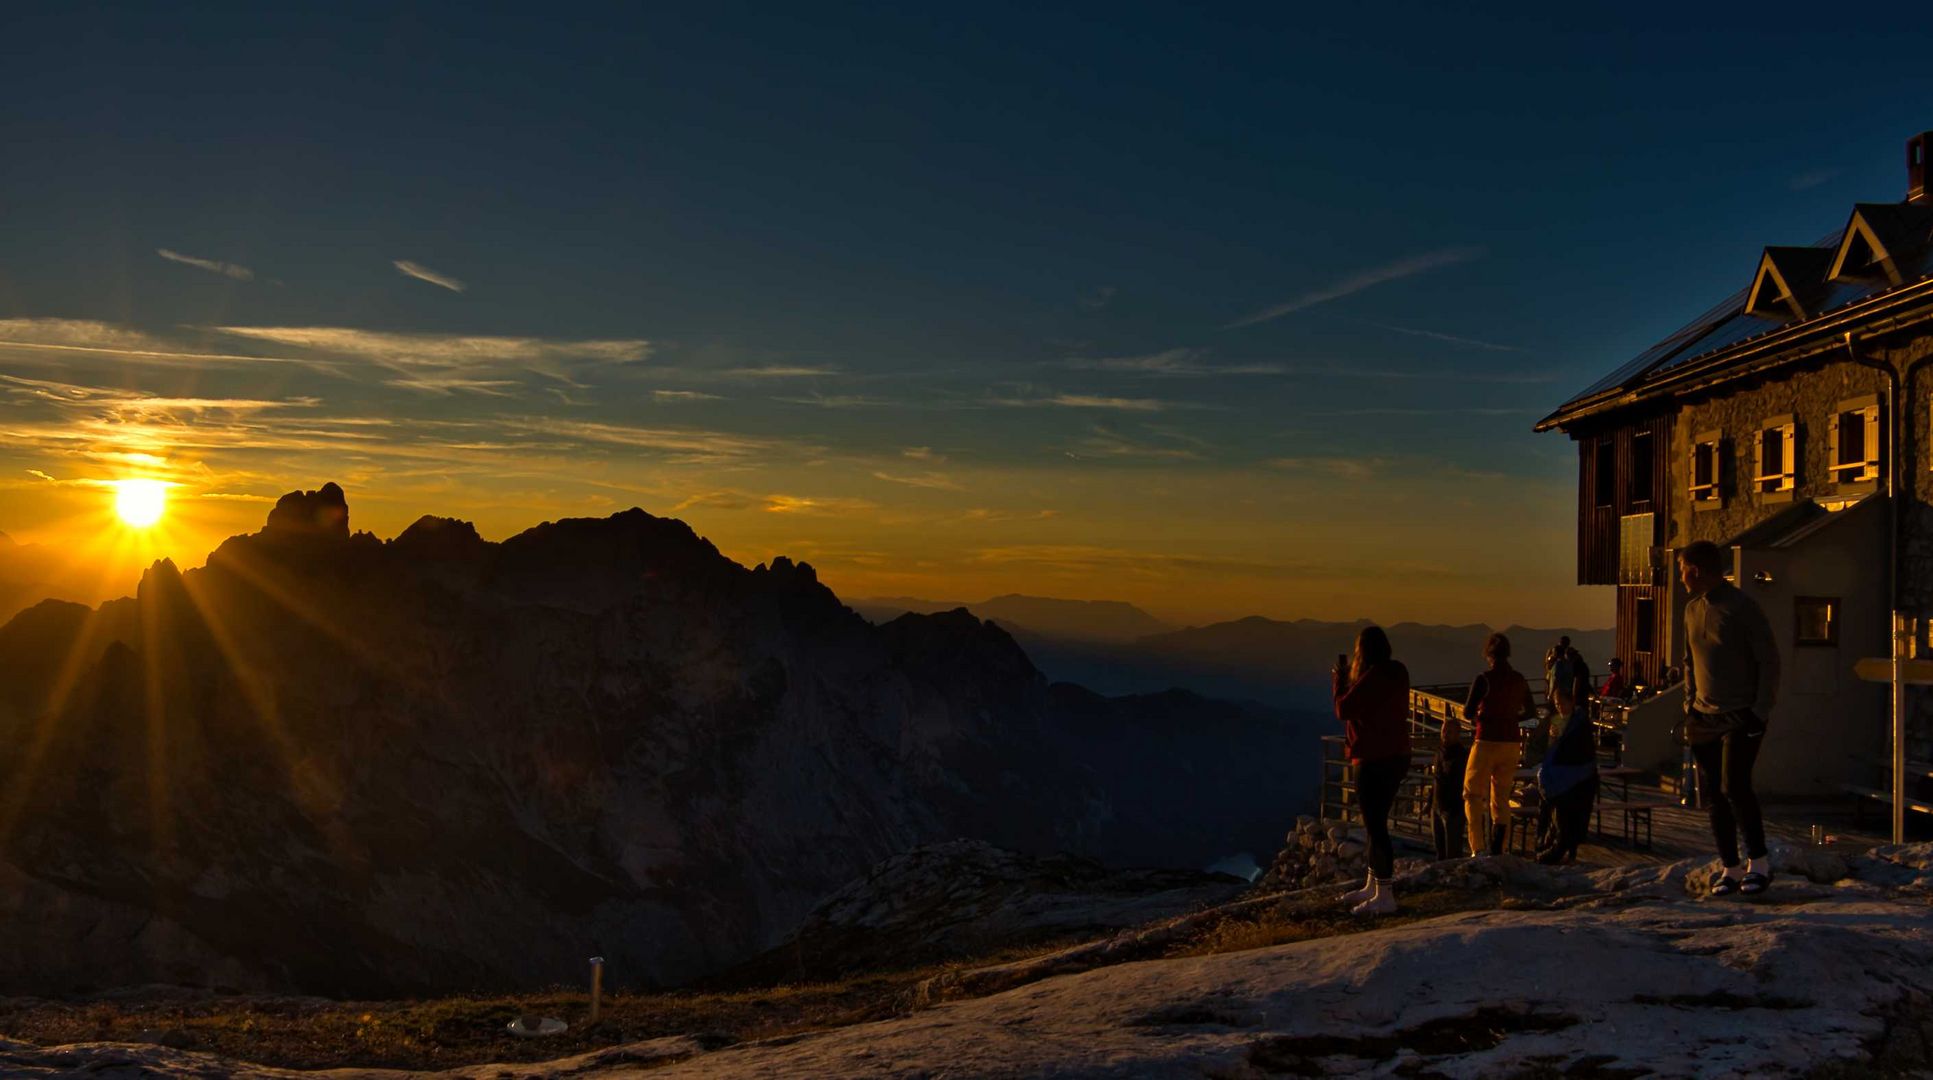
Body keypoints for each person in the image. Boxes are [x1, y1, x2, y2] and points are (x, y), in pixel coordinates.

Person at [1678, 539, 1780, 896]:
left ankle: (1760, 864)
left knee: (1735, 786)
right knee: (1714, 796)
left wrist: (1759, 711)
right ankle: (1731, 868)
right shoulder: (1691, 610)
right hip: (1702, 718)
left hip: (1741, 715)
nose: (1680, 577)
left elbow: (1769, 660)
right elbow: (1689, 660)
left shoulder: (1742, 607)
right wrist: (1689, 704)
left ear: (1696, 570)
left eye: (1682, 570)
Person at [1333, 626, 1411, 915]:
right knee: (1374, 824)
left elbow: (1343, 709)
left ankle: (1385, 894)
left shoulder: (1372, 676)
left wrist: (1340, 681)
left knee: (1375, 826)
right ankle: (1372, 884)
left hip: (1372, 759)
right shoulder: (1398, 671)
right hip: (1397, 756)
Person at [1462, 632, 1532, 858]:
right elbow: (1530, 712)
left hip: (1486, 741)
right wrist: (1511, 719)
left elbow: (1467, 712)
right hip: (1511, 743)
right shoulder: (1519, 679)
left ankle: (1478, 848)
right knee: (1501, 796)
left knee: (1472, 794)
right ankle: (1499, 848)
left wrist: (1483, 718)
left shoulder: (1484, 679)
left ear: (1488, 654)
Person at [1536, 651, 1600, 865]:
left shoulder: (1577, 724)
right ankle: (1548, 843)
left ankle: (1555, 848)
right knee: (1553, 811)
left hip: (1575, 780)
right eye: (1557, 704)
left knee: (1562, 815)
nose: (1560, 708)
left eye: (1562, 703)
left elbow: (1576, 751)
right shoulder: (1560, 722)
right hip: (1568, 777)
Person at [1430, 709, 1470, 861]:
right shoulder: (1439, 752)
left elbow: (1459, 782)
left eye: (1450, 732)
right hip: (1437, 806)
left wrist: (1455, 807)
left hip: (1453, 810)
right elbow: (1435, 778)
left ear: (1458, 734)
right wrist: (1430, 804)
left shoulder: (1461, 755)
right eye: (1444, 730)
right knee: (1440, 852)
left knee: (1452, 853)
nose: (1445, 734)